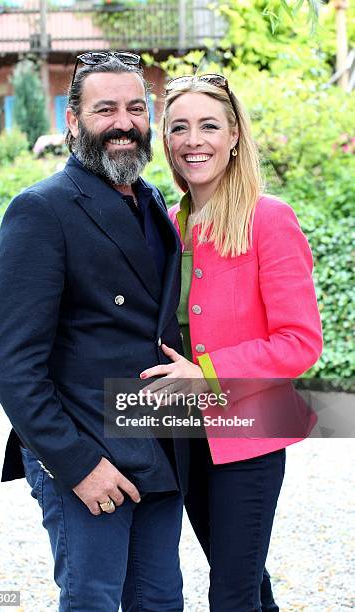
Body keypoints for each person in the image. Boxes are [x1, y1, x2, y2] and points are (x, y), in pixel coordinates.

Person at [0, 52, 189, 612]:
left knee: (161, 600)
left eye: (135, 108)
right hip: (84, 451)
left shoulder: (153, 203)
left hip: (155, 441)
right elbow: (10, 361)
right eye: (105, 109)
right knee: (92, 599)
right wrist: (77, 465)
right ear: (72, 120)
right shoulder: (41, 210)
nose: (124, 122)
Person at [140, 74, 323, 611]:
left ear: (235, 134)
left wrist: (209, 373)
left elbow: (299, 343)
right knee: (242, 580)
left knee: (231, 594)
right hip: (182, 432)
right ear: (166, 140)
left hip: (251, 432)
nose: (193, 140)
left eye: (209, 125)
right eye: (179, 127)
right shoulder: (167, 223)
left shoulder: (270, 219)